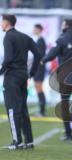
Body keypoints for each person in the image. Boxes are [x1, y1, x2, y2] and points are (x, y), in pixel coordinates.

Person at [0, 14, 41, 150]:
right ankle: (28, 142)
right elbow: (38, 54)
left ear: (6, 23)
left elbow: (8, 59)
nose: (0, 24)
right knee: (22, 108)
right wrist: (32, 72)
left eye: (1, 21)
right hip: (23, 76)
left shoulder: (8, 36)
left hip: (12, 77)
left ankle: (16, 141)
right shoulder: (25, 37)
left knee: (12, 109)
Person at [41, 19, 72, 141]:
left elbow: (51, 55)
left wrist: (42, 60)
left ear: (67, 25)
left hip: (65, 77)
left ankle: (68, 133)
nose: (62, 26)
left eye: (63, 24)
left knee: (65, 103)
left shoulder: (62, 40)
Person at [32, 24, 47, 117]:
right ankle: (42, 110)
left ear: (38, 29)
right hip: (38, 67)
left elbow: (40, 55)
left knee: (39, 87)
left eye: (34, 29)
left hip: (39, 68)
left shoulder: (41, 40)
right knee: (38, 88)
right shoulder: (39, 40)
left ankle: (42, 111)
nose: (33, 30)